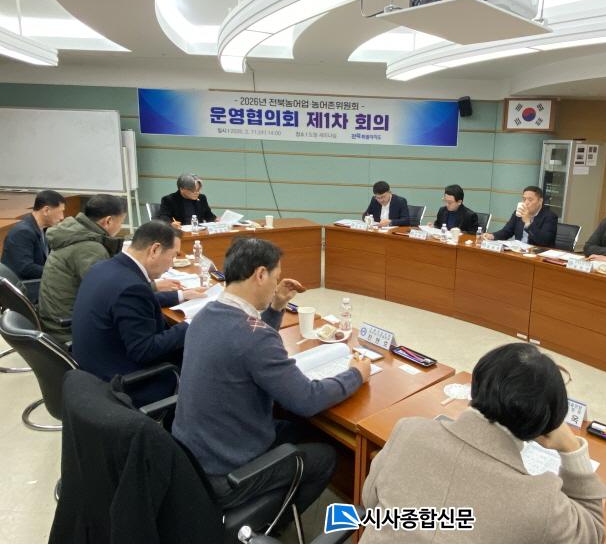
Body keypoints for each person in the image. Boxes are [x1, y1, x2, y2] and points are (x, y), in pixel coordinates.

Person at [172, 238, 371, 521]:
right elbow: (306, 399)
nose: (276, 284)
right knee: (327, 455)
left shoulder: (205, 315)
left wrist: (276, 307)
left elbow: (247, 342)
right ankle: (269, 525)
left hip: (193, 458)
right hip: (227, 473)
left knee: (299, 429)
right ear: (260, 274)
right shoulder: (253, 336)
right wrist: (356, 374)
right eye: (275, 278)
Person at [361, 343, 606, 543]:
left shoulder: (408, 432)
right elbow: (593, 532)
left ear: (476, 386)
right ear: (543, 427)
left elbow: (369, 500)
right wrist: (571, 447)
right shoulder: (541, 501)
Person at [71, 220, 205, 405]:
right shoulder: (131, 287)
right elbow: (145, 350)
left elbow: (133, 302)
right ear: (155, 250)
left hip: (93, 370)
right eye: (173, 255)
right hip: (124, 383)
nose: (171, 264)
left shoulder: (104, 268)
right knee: (202, 359)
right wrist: (192, 323)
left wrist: (181, 295)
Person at [38, 194, 127, 343]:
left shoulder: (73, 232)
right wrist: (153, 287)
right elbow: (108, 294)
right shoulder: (89, 248)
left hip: (55, 318)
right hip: (68, 329)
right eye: (121, 222)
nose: (121, 226)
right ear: (108, 221)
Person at [1, 190, 65, 300]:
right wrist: (56, 272)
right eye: (61, 212)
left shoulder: (42, 230)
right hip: (21, 294)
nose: (62, 217)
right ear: (46, 210)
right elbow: (25, 268)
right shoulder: (22, 232)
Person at [484, 186, 557, 247]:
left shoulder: (550, 217)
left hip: (536, 254)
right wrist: (492, 236)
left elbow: (545, 241)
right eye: (524, 199)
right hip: (518, 251)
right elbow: (507, 231)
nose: (526, 202)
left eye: (530, 200)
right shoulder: (519, 212)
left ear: (540, 201)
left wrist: (528, 223)